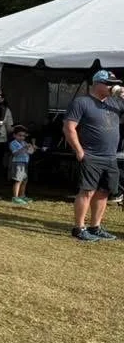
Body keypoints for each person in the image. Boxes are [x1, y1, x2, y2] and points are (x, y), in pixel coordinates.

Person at [63, 70, 124, 241]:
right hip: (91, 154)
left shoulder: (115, 102)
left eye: (114, 83)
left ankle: (95, 226)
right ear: (97, 83)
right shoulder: (82, 102)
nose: (113, 87)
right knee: (87, 191)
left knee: (104, 192)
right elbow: (69, 127)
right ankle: (79, 228)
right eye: (109, 83)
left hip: (110, 156)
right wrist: (79, 150)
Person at [8, 125, 35, 206]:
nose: (22, 137)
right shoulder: (13, 143)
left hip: (25, 163)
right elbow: (15, 153)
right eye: (19, 135)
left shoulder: (24, 143)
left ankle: (22, 195)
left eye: (23, 136)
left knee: (24, 180)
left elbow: (30, 152)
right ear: (14, 135)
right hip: (18, 163)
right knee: (18, 180)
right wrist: (24, 148)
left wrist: (32, 148)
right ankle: (15, 197)